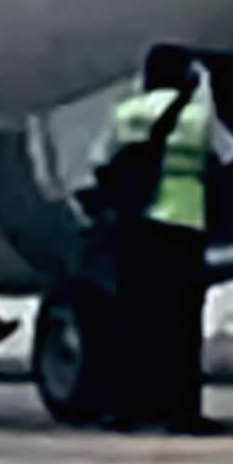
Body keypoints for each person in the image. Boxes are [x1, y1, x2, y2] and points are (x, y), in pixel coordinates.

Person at [89, 46, 218, 430]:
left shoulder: (126, 113)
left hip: (137, 228)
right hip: (184, 225)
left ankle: (125, 408)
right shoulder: (198, 119)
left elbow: (99, 161)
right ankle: (180, 411)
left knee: (131, 320)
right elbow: (226, 158)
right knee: (179, 325)